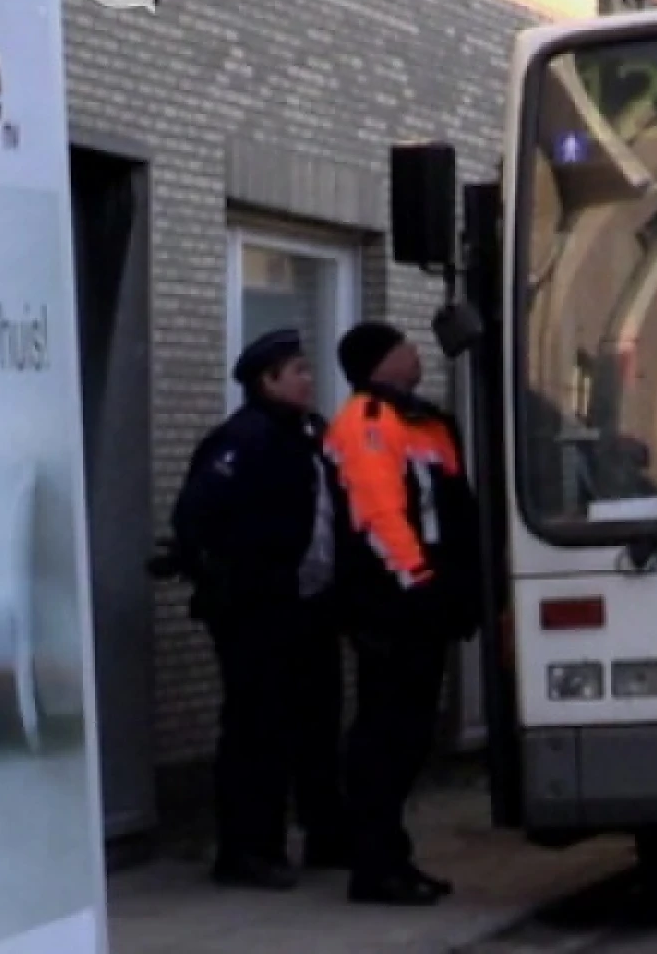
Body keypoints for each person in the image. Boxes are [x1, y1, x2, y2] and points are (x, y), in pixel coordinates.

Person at [169, 327, 349, 890]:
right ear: (268, 381)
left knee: (317, 725)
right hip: (258, 612)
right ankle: (248, 849)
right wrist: (235, 579)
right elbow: (196, 518)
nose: (309, 379)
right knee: (257, 730)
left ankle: (324, 833)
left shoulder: (312, 434)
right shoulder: (242, 440)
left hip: (311, 606)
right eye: (298, 371)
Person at [325, 321, 483, 906]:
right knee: (385, 739)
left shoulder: (423, 423)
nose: (415, 352)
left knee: (409, 738)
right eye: (403, 347)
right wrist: (421, 587)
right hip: (394, 609)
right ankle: (376, 864)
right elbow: (379, 518)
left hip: (424, 606)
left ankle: (392, 857)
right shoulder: (369, 423)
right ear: (379, 362)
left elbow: (454, 513)